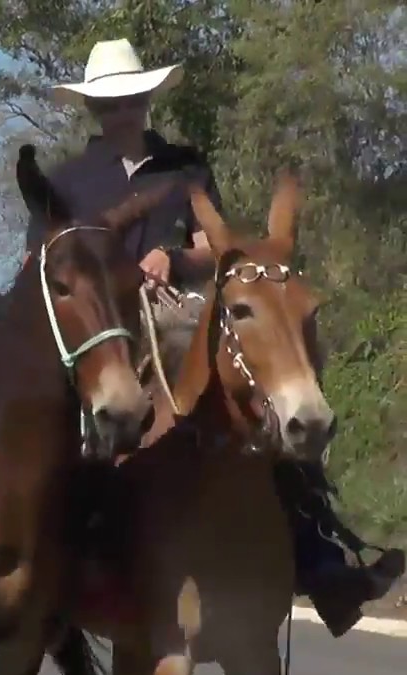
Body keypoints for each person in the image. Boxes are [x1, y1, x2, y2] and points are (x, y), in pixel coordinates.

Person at [29, 38, 403, 637]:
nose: (122, 112)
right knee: (53, 414)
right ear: (94, 110)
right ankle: (49, 568)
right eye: (110, 104)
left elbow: (214, 245)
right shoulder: (68, 181)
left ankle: (321, 559)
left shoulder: (185, 167)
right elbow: (47, 259)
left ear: (146, 101)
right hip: (105, 320)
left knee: (262, 384)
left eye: (131, 100)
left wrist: (172, 257)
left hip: (179, 309)